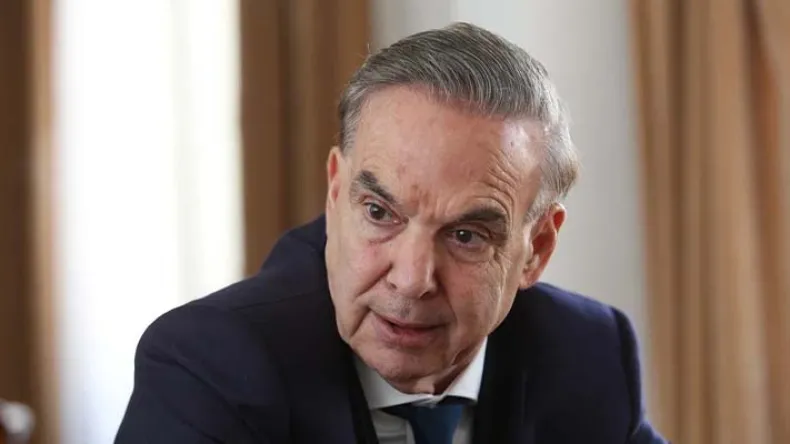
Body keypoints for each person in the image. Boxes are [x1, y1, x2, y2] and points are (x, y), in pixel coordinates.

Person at [115, 22, 667, 444]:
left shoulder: (586, 353)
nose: (411, 279)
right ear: (336, 193)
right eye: (380, 213)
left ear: (536, 249)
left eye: (466, 236)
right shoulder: (211, 366)